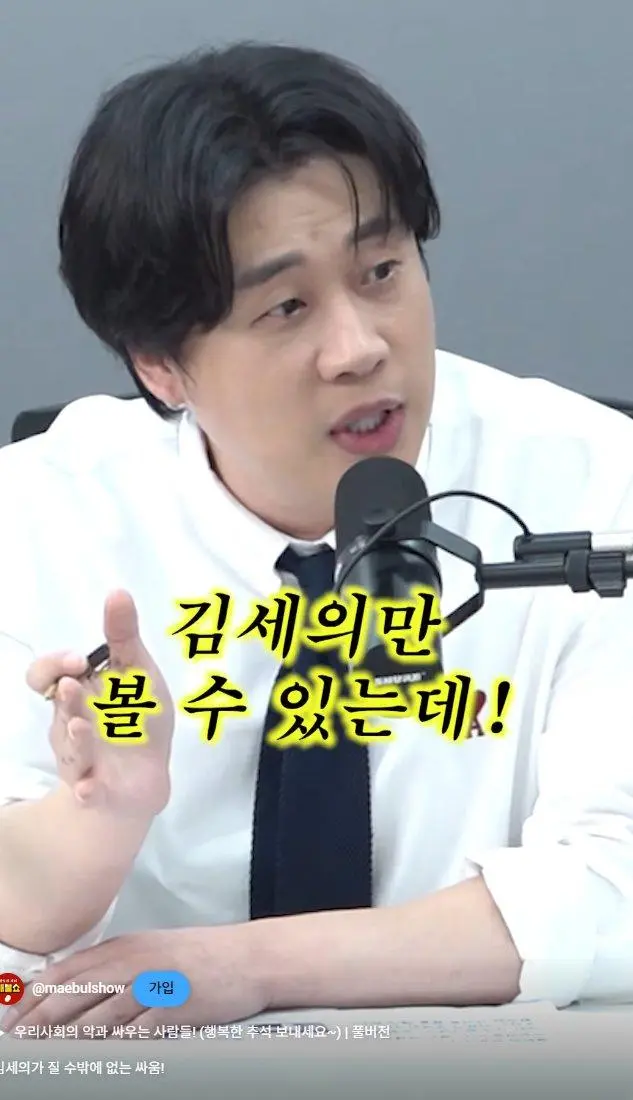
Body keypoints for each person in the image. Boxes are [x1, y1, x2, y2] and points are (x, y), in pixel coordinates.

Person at [1, 41, 632, 1036]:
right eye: (286, 307)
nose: (360, 347)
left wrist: (248, 966)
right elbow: (17, 907)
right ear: (160, 365)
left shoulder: (593, 488)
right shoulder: (40, 516)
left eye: (381, 271)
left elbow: (615, 884)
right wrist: (102, 813)